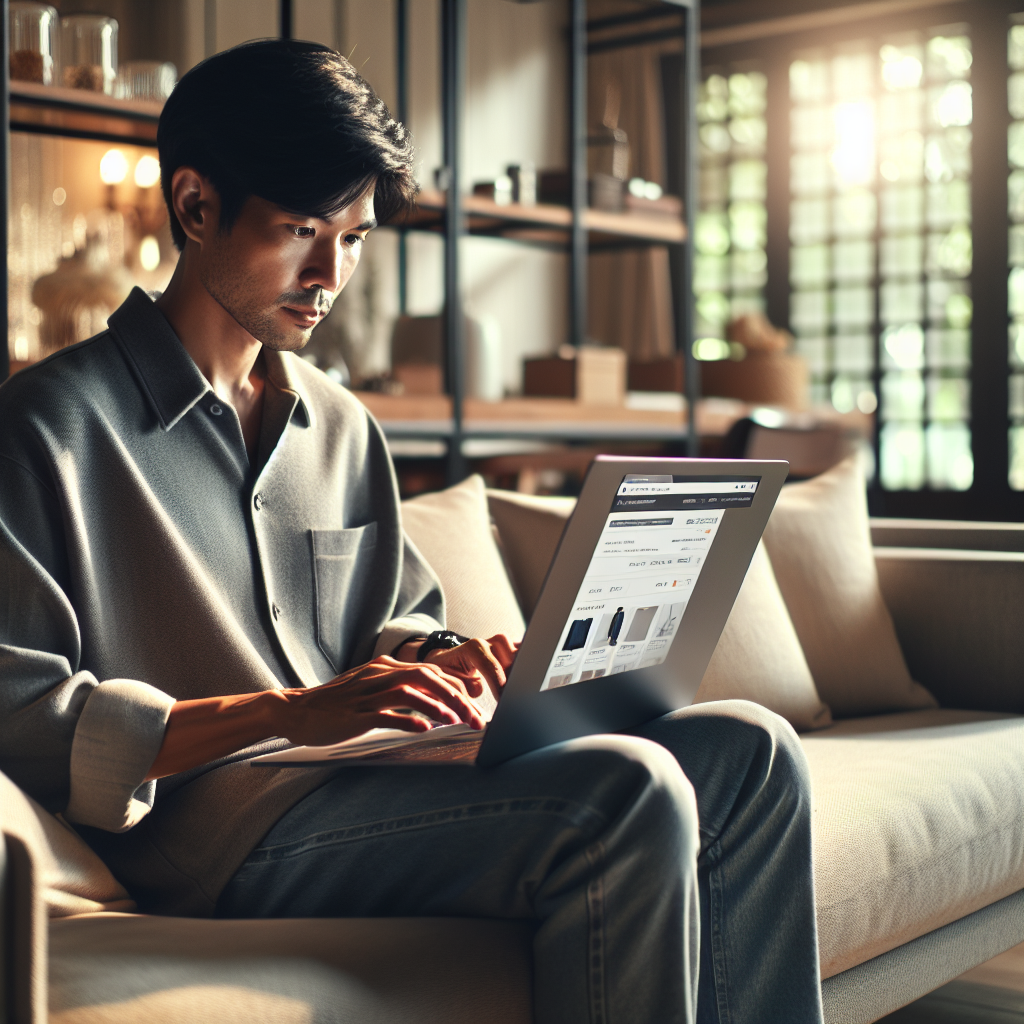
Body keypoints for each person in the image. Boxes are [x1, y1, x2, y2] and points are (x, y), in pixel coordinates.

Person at [0, 40, 823, 1024]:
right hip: (216, 829)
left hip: (370, 779)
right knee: (624, 790)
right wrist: (289, 712)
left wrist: (460, 664)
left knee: (751, 750)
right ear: (195, 205)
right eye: (304, 230)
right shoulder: (46, 426)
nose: (330, 273)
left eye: (353, 238)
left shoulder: (341, 426)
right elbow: (24, 718)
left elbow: (392, 621)